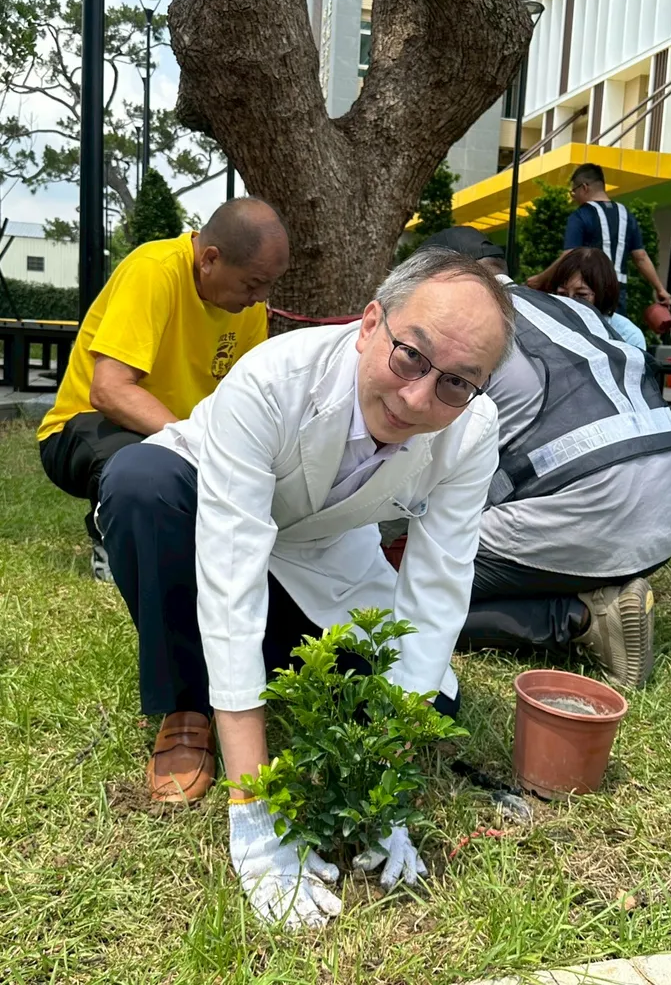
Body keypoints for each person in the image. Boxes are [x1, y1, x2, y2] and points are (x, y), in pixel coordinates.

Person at [96, 248, 513, 926]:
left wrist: (388, 782)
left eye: (457, 382)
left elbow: (438, 587)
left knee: (430, 701)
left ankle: (265, 673)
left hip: (321, 554)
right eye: (411, 355)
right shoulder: (274, 377)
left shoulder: (471, 430)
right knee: (138, 485)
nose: (418, 398)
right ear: (371, 324)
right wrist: (254, 811)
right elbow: (231, 573)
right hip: (205, 506)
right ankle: (186, 705)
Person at [421, 227, 671, 688]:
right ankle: (593, 583)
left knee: (409, 589)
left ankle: (578, 619)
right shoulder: (573, 308)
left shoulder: (465, 329)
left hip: (592, 513)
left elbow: (434, 469)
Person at [37, 198, 289, 580]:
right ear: (210, 259)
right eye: (253, 283)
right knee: (139, 464)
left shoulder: (248, 308)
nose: (260, 298)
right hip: (82, 429)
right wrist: (194, 442)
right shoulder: (153, 270)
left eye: (269, 285)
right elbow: (108, 391)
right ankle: (112, 538)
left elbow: (248, 397)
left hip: (175, 435)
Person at [528, 163, 671, 349]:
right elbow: (641, 256)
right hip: (616, 292)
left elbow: (569, 254)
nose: (573, 198)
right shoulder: (626, 214)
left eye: (573, 192)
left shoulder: (581, 215)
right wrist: (660, 289)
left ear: (584, 188)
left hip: (586, 289)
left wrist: (540, 279)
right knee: (616, 343)